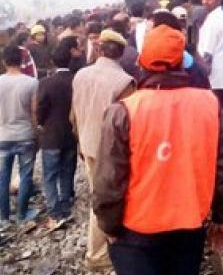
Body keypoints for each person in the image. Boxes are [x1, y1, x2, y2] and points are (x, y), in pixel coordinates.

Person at [93, 25, 223, 275]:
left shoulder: (124, 110)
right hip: (190, 227)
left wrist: (109, 226)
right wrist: (221, 218)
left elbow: (109, 180)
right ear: (182, 62)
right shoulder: (209, 104)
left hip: (135, 232)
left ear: (141, 63)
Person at [72, 29, 135, 271]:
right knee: (106, 200)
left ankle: (100, 252)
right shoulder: (124, 82)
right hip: (110, 152)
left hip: (87, 144)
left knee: (98, 197)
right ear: (121, 53)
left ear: (99, 50)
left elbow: (74, 112)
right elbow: (129, 122)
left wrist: (79, 140)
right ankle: (98, 255)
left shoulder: (80, 75)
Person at [0, 45, 39, 224]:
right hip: (25, 135)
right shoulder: (31, 83)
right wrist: (35, 132)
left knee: (3, 178)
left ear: (4, 61)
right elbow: (34, 112)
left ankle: (4, 217)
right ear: (22, 61)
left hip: (4, 135)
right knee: (25, 176)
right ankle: (22, 215)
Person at [36, 38, 79, 228]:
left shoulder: (46, 83)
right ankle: (66, 201)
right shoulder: (76, 80)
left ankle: (54, 210)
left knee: (50, 174)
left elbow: (41, 107)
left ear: (52, 62)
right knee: (67, 170)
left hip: (51, 135)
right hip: (70, 133)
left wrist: (40, 123)